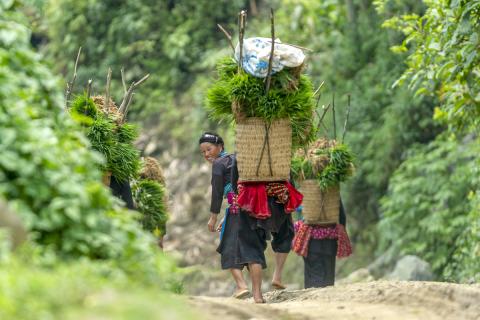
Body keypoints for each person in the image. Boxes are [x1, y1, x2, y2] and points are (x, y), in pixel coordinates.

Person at [199, 132, 251, 300]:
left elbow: (217, 193)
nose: (207, 154)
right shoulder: (234, 159)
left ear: (220, 146)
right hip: (250, 208)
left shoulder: (219, 164)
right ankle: (256, 290)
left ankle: (242, 285)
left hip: (238, 210)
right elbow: (233, 192)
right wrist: (227, 214)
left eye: (209, 149)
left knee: (227, 246)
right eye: (203, 152)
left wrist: (214, 217)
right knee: (250, 246)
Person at [292, 200, 352, 288]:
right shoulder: (333, 195)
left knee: (313, 275)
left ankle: (314, 298)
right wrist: (340, 234)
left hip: (311, 241)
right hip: (330, 242)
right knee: (328, 273)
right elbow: (342, 217)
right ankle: (325, 298)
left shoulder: (308, 192)